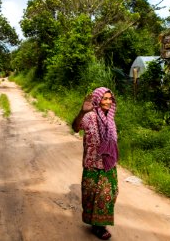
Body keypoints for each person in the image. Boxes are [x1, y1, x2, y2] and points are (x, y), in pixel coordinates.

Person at [72, 87, 119, 240]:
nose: (108, 101)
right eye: (104, 98)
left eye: (109, 98)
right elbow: (75, 127)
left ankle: (100, 225)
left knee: (107, 195)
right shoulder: (90, 116)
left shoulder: (110, 118)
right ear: (98, 100)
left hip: (108, 164)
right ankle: (95, 225)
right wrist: (82, 111)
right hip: (92, 163)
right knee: (91, 195)